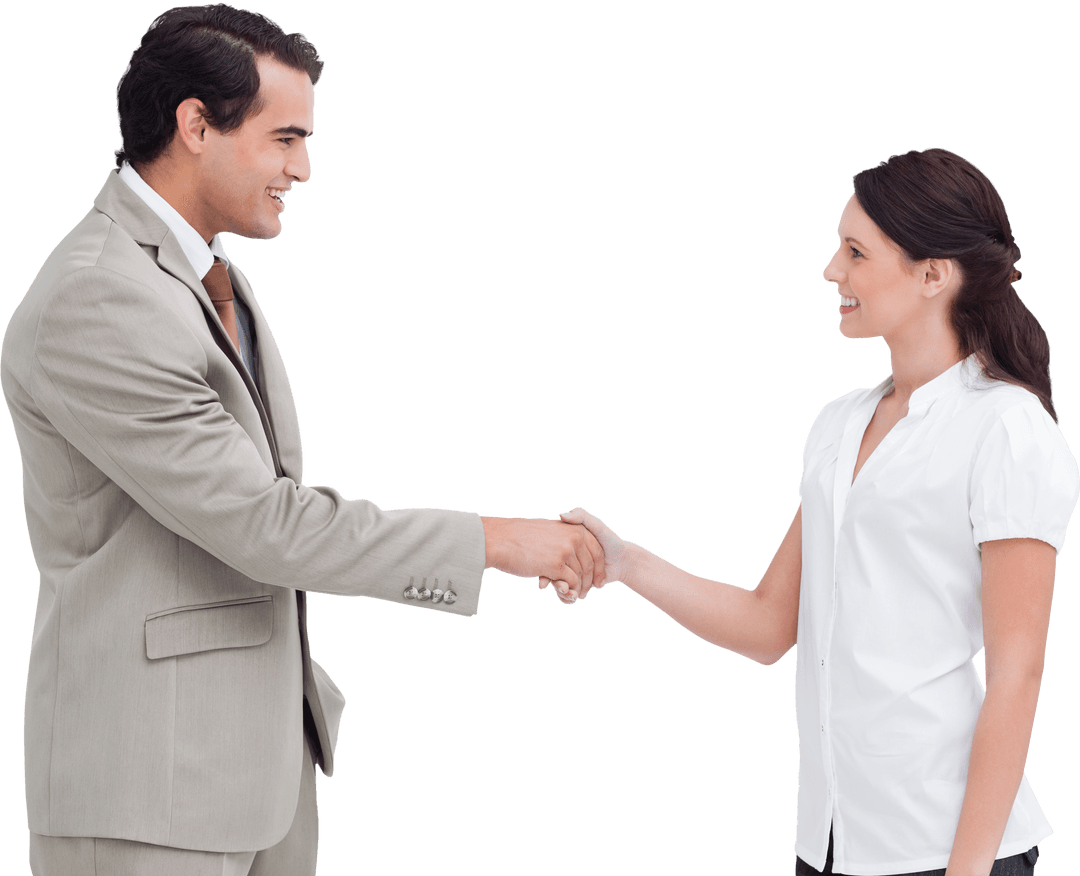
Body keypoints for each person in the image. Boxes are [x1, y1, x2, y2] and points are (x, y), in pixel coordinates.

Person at [0, 5, 604, 875]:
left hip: (253, 774)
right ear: (195, 125)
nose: (303, 168)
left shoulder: (204, 274)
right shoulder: (98, 296)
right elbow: (264, 522)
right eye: (284, 139)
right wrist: (494, 541)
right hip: (147, 795)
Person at [552, 148, 1078, 876]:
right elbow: (771, 623)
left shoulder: (1007, 428)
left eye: (856, 253)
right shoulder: (838, 424)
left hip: (946, 848)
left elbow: (1018, 673)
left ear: (933, 274)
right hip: (830, 842)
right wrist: (623, 562)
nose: (832, 271)